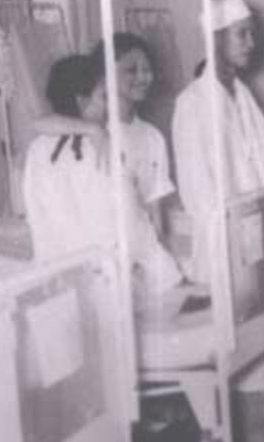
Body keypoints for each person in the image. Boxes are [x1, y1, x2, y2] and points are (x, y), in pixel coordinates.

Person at [171, 0, 264, 442]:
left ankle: (261, 432)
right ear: (216, 39)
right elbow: (196, 185)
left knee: (258, 337)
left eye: (251, 32)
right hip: (222, 238)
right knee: (224, 340)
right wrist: (229, 225)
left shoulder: (241, 94)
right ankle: (216, 430)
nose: (251, 42)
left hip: (255, 229)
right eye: (242, 34)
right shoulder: (192, 104)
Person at [23, 53, 182, 298]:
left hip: (61, 283)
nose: (111, 106)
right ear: (81, 101)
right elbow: (130, 226)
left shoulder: (37, 149)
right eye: (104, 97)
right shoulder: (104, 147)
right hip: (111, 281)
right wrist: (165, 272)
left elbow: (38, 221)